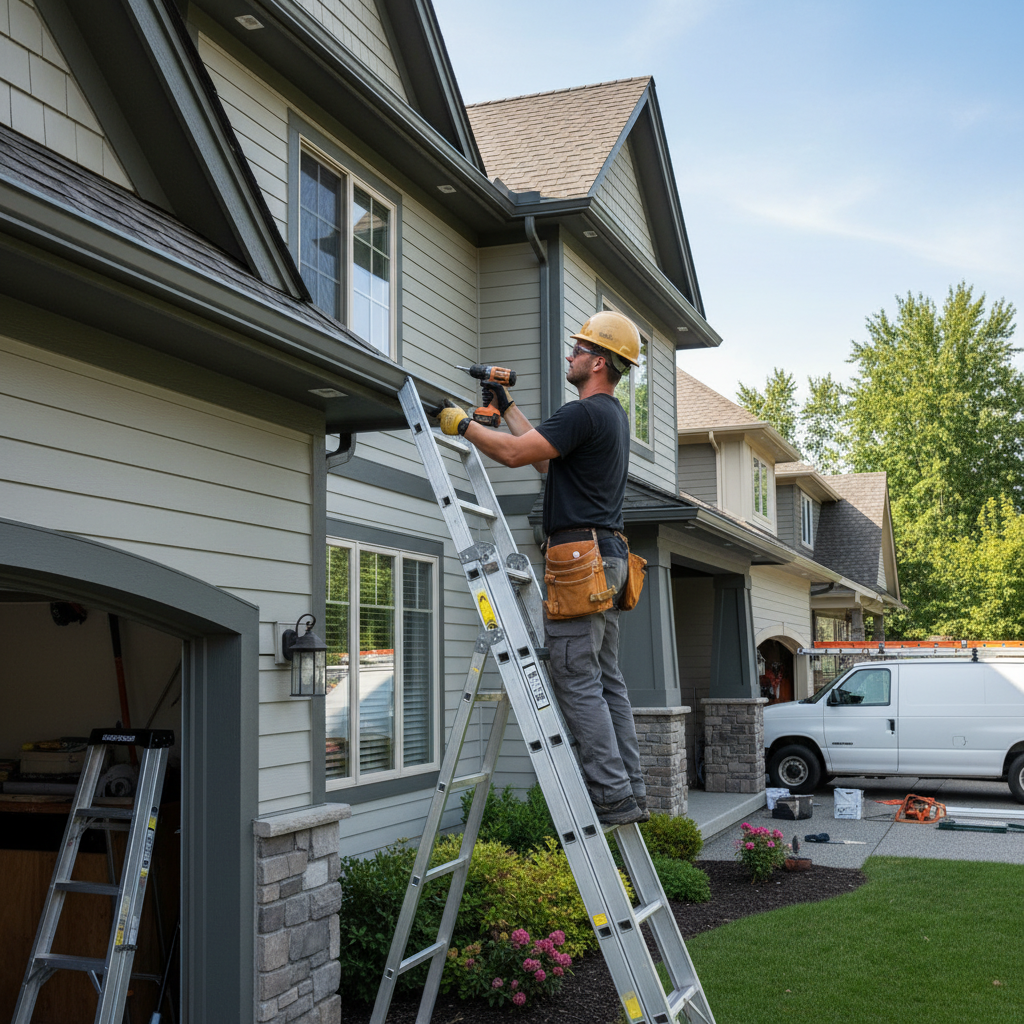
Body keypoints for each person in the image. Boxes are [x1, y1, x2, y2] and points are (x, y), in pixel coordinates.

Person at [439, 311, 648, 826]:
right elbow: (543, 461)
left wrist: (462, 425)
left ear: (598, 363)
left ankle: (611, 796)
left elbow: (513, 456)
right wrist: (507, 408)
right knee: (606, 680)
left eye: (579, 350)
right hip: (608, 558)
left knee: (576, 678)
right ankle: (631, 789)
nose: (570, 355)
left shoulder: (583, 413)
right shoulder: (611, 417)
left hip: (578, 559)